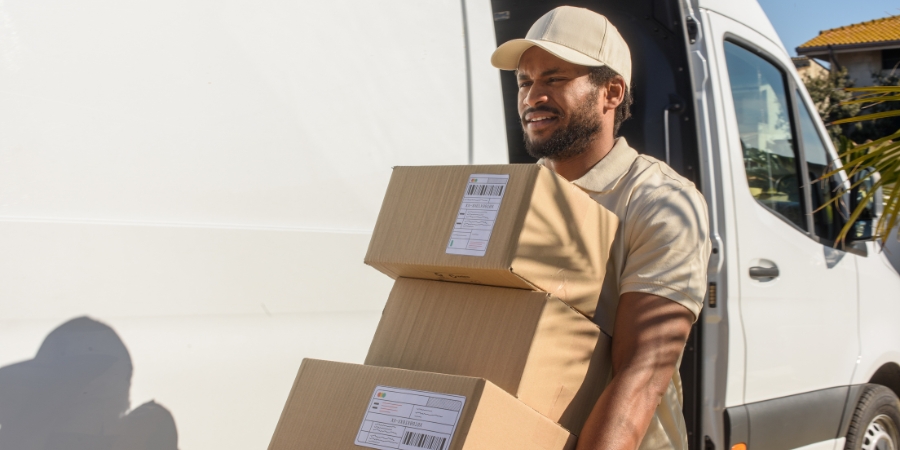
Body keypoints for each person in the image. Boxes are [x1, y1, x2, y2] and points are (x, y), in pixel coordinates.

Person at [491, 6, 711, 450]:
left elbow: (642, 371)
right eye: (524, 81)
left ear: (611, 92)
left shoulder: (661, 200)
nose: (533, 96)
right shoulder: (513, 198)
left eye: (554, 79)